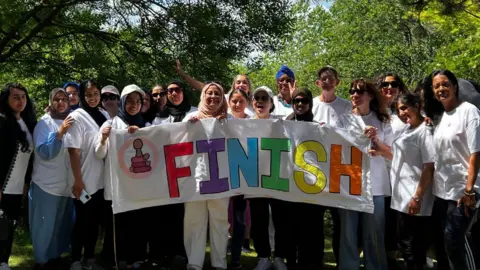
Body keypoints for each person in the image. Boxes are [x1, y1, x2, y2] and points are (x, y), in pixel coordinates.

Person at [423, 69, 480, 270]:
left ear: (455, 86)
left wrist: (469, 190)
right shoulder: (441, 117)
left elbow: (476, 152)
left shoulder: (469, 111)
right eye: (437, 86)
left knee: (458, 239)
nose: (441, 89)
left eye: (445, 84)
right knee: (449, 244)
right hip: (443, 192)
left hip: (464, 191)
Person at [337, 79, 392, 270]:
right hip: (349, 184)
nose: (354, 95)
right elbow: (336, 149)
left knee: (375, 232)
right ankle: (348, 266)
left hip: (375, 185)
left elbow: (391, 154)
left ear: (370, 95)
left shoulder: (383, 120)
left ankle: (375, 266)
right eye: (352, 91)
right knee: (348, 233)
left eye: (359, 91)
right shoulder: (343, 120)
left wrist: (376, 142)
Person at [96, 84, 147, 269]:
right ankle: (115, 258)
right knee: (118, 224)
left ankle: (136, 258)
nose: (134, 105)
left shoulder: (146, 125)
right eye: (130, 101)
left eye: (137, 102)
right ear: (123, 102)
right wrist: (102, 139)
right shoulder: (110, 124)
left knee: (137, 223)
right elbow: (99, 154)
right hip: (117, 184)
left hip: (139, 186)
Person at [182, 82, 232, 270]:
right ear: (203, 96)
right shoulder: (190, 117)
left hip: (221, 179)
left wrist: (226, 122)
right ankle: (194, 263)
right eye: (209, 93)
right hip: (195, 178)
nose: (213, 97)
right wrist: (188, 128)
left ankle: (219, 263)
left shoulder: (228, 120)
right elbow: (175, 141)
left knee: (220, 222)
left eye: (217, 94)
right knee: (194, 221)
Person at [64, 79, 109, 270]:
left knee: (95, 223)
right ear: (82, 96)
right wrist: (78, 180)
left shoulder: (104, 114)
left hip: (102, 179)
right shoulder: (76, 116)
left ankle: (89, 258)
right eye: (88, 95)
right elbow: (73, 151)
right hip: (83, 178)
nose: (92, 98)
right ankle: (75, 258)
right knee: (82, 222)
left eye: (96, 94)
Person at [29, 88, 74, 270]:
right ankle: (41, 261)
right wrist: (60, 133)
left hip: (65, 185)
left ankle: (54, 257)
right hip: (46, 185)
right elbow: (45, 152)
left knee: (59, 226)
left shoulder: (71, 120)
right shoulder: (44, 123)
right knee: (44, 226)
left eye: (64, 99)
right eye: (57, 100)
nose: (61, 103)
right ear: (51, 102)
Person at [247, 86, 292, 270]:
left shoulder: (282, 123)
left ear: (271, 103)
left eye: (264, 98)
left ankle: (280, 257)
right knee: (259, 220)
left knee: (281, 220)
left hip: (278, 179)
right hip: (255, 180)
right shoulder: (244, 124)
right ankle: (263, 257)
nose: (260, 101)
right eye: (256, 97)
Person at [389, 93, 435, 270]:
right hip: (401, 197)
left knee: (412, 247)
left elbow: (429, 166)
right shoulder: (406, 129)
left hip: (414, 198)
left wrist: (417, 196)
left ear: (416, 106)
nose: (401, 113)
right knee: (405, 245)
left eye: (404, 108)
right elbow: (401, 158)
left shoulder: (425, 131)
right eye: (398, 109)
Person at [311, 66, 350, 267]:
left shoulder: (347, 106)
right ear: (318, 83)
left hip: (338, 172)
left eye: (331, 78)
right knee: (315, 223)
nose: (327, 81)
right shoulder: (310, 104)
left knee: (340, 222)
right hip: (315, 173)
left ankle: (341, 260)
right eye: (323, 78)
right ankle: (316, 262)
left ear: (337, 82)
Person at [285, 88, 324, 269]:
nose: (300, 104)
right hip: (291, 186)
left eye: (304, 101)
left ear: (310, 103)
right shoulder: (284, 125)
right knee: (291, 230)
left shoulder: (319, 127)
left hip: (313, 187)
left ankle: (313, 263)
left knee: (312, 229)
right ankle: (292, 263)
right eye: (296, 101)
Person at [0, 83, 37, 270]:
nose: (20, 100)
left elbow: (30, 158)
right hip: (3, 185)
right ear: (6, 99)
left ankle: (4, 261)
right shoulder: (2, 121)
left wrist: (26, 182)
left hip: (18, 185)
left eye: (23, 96)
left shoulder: (28, 122)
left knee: (9, 226)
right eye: (15, 96)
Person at [226, 88, 251, 269]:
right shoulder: (222, 120)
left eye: (240, 101)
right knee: (222, 219)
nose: (237, 104)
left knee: (240, 220)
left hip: (243, 177)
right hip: (222, 176)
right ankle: (220, 257)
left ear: (246, 103)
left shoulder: (253, 122)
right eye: (234, 101)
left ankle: (235, 259)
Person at [173, 59, 254, 116]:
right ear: (234, 86)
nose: (241, 85)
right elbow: (202, 86)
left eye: (244, 83)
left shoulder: (255, 103)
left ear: (249, 87)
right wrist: (183, 74)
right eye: (238, 82)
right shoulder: (223, 98)